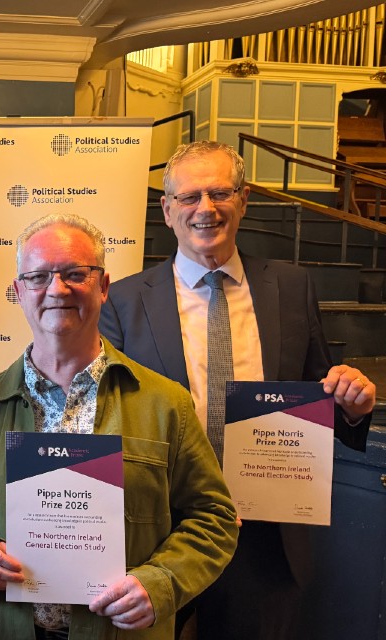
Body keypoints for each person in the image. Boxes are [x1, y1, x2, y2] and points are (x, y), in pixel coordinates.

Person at [99, 140, 377, 640]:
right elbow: (108, 419)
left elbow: (317, 401)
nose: (205, 208)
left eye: (219, 192)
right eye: (189, 197)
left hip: (267, 536)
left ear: (243, 200)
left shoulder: (293, 287)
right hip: (161, 533)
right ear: (167, 210)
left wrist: (352, 408)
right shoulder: (123, 301)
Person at [0, 213, 239, 640]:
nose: (57, 290)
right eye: (38, 277)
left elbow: (214, 517)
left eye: (75, 274)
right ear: (19, 292)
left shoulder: (166, 404)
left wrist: (162, 582)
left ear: (103, 286)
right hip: (7, 628)